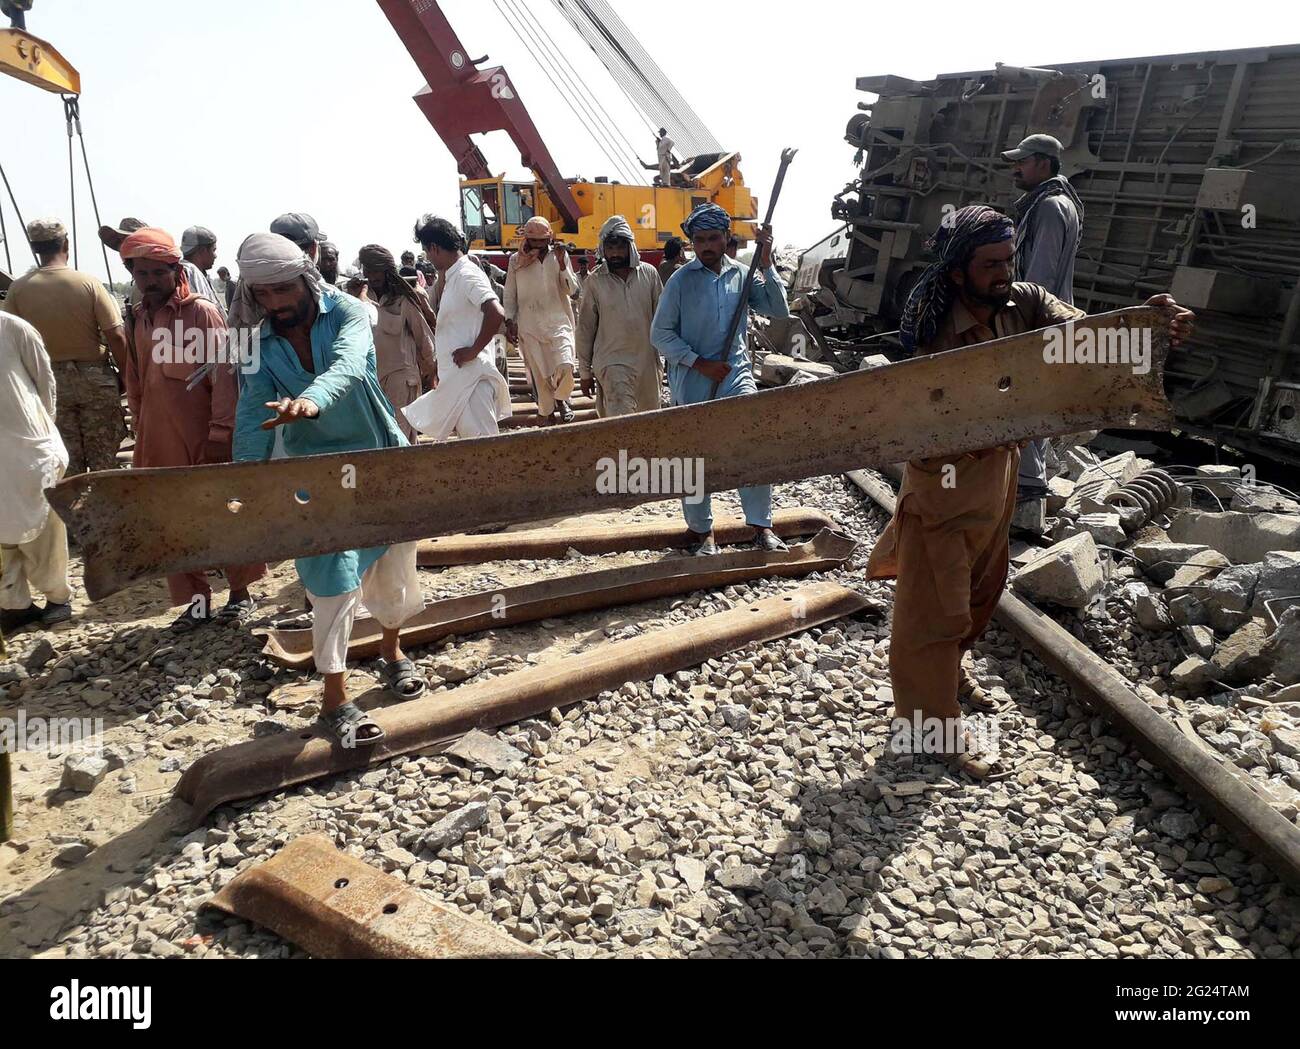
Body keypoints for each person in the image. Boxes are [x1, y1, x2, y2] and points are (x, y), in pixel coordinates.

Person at [867, 204, 1194, 777]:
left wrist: (1147, 327)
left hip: (998, 477)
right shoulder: (936, 329)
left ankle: (949, 675)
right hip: (944, 483)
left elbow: (1083, 338)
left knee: (978, 594)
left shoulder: (1024, 302)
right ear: (957, 271)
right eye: (990, 263)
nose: (1003, 272)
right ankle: (929, 726)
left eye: (1008, 259)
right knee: (930, 613)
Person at [232, 233, 427, 745]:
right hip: (313, 471)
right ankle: (335, 696)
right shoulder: (254, 343)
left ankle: (391, 650)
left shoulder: (347, 311)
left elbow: (347, 363)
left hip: (374, 454)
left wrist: (310, 399)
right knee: (330, 573)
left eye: (283, 291)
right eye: (264, 295)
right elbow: (253, 411)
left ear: (305, 279)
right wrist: (243, 480)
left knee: (394, 560)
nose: (276, 304)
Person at [119, 228, 265, 631]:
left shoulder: (202, 313)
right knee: (172, 519)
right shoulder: (138, 316)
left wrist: (222, 433)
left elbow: (225, 373)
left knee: (223, 511)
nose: (149, 281)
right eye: (141, 273)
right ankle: (197, 600)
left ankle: (240, 593)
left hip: (203, 435)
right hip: (157, 436)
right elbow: (136, 376)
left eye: (157, 273)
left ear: (174, 270)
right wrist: (138, 423)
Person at [650, 202, 790, 555]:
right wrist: (699, 363)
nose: (707, 246)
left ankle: (761, 527)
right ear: (692, 243)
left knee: (751, 444)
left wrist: (768, 260)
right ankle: (702, 533)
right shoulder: (681, 282)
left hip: (736, 374)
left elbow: (778, 310)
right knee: (696, 456)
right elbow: (660, 335)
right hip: (694, 381)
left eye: (714, 238)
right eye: (700, 240)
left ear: (727, 238)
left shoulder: (742, 275)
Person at [3, 218, 129, 475]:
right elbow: (116, 335)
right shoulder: (88, 283)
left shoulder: (18, 290)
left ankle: (73, 513)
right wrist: (128, 376)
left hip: (47, 385)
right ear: (66, 244)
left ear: (34, 247)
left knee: (65, 463)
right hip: (95, 379)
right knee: (106, 460)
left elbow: (9, 342)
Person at [1000, 134, 1085, 507]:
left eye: (1022, 161)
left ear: (1044, 164)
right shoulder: (1058, 202)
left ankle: (1028, 485)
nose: (1015, 168)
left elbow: (1040, 275)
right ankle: (1030, 478)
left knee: (1025, 395)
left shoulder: (1050, 206)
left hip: (1040, 317)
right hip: (1051, 314)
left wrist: (1020, 316)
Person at [404, 215, 512, 441]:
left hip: (473, 382)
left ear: (434, 248)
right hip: (461, 382)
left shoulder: (466, 274)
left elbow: (496, 313)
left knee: (484, 454)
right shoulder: (452, 276)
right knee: (474, 453)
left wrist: (473, 350)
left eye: (426, 251)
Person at [0, 313, 72, 632]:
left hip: (28, 447)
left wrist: (43, 432)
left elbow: (45, 384)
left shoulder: (13, 327)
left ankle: (57, 598)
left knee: (44, 527)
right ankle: (14, 604)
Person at [577, 215, 663, 417]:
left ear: (630, 248)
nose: (615, 254)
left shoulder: (649, 274)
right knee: (621, 422)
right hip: (611, 362)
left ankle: (642, 451)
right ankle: (622, 452)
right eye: (610, 248)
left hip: (646, 361)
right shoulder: (594, 282)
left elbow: (663, 317)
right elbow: (585, 329)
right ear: (603, 250)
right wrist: (584, 373)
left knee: (648, 418)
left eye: (620, 248)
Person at [504, 216, 579, 423]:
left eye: (542, 241)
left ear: (549, 239)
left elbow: (572, 290)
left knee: (565, 364)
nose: (537, 245)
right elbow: (510, 294)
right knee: (541, 374)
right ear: (526, 239)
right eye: (533, 241)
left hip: (558, 321)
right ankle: (548, 412)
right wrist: (509, 320)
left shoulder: (559, 257)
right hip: (530, 325)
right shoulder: (515, 261)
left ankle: (562, 398)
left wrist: (563, 264)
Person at [359, 244, 437, 441]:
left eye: (376, 270)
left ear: (387, 271)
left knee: (400, 436)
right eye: (368, 270)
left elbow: (424, 338)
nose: (372, 275)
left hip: (401, 380)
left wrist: (432, 372)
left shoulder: (404, 300)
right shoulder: (360, 299)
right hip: (373, 379)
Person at [180, 225, 223, 314]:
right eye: (213, 250)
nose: (215, 256)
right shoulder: (189, 273)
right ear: (203, 250)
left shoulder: (194, 274)